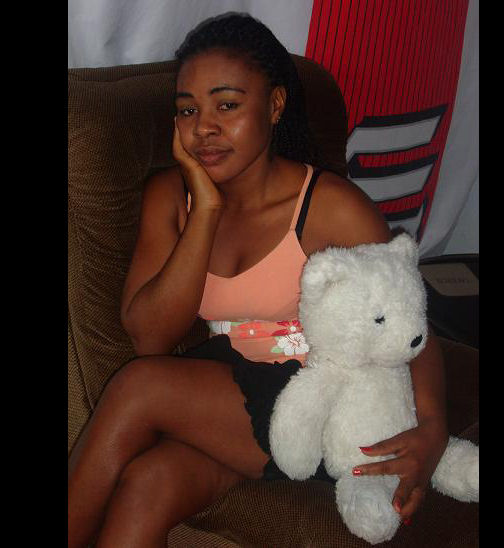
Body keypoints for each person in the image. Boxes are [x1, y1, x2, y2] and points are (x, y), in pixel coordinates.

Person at [68, 12, 449, 548]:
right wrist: (205, 212)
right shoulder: (170, 199)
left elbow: (410, 322)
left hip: (324, 406)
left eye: (227, 105)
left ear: (274, 105)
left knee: (139, 388)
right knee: (151, 483)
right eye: (188, 110)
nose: (204, 127)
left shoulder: (330, 209)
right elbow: (150, 337)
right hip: (236, 400)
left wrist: (432, 428)